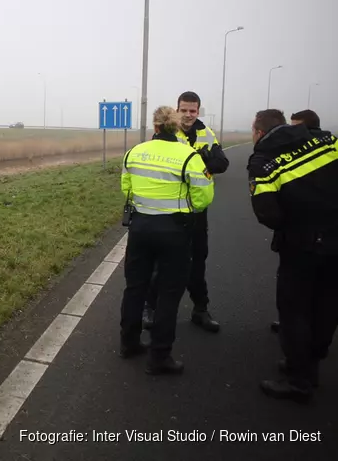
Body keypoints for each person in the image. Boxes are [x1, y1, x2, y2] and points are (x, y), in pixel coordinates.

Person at [248, 109, 338, 402]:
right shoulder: (325, 140)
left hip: (301, 245)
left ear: (259, 132)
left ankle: (299, 381)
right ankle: (312, 360)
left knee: (294, 309)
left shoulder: (262, 162)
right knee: (327, 303)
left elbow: (269, 214)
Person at [120, 106, 215, 375]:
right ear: (176, 127)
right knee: (169, 293)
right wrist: (187, 209)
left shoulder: (134, 152)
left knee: (135, 287)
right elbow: (203, 197)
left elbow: (125, 188)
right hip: (174, 230)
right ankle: (159, 356)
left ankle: (128, 343)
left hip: (139, 227)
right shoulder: (189, 155)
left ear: (156, 127)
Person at [143, 91, 229, 334]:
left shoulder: (206, 133)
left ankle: (200, 310)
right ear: (177, 110)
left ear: (198, 111)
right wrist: (197, 163)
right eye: (184, 110)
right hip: (169, 209)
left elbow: (222, 163)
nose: (189, 115)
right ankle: (150, 307)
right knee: (161, 263)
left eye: (193, 110)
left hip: (197, 209)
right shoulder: (168, 131)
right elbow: (158, 163)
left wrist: (198, 163)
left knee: (197, 262)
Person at [271, 110, 322, 334]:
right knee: (292, 286)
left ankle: (307, 339)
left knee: (316, 287)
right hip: (294, 235)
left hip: (316, 235)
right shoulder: (291, 155)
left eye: (295, 128)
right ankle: (293, 325)